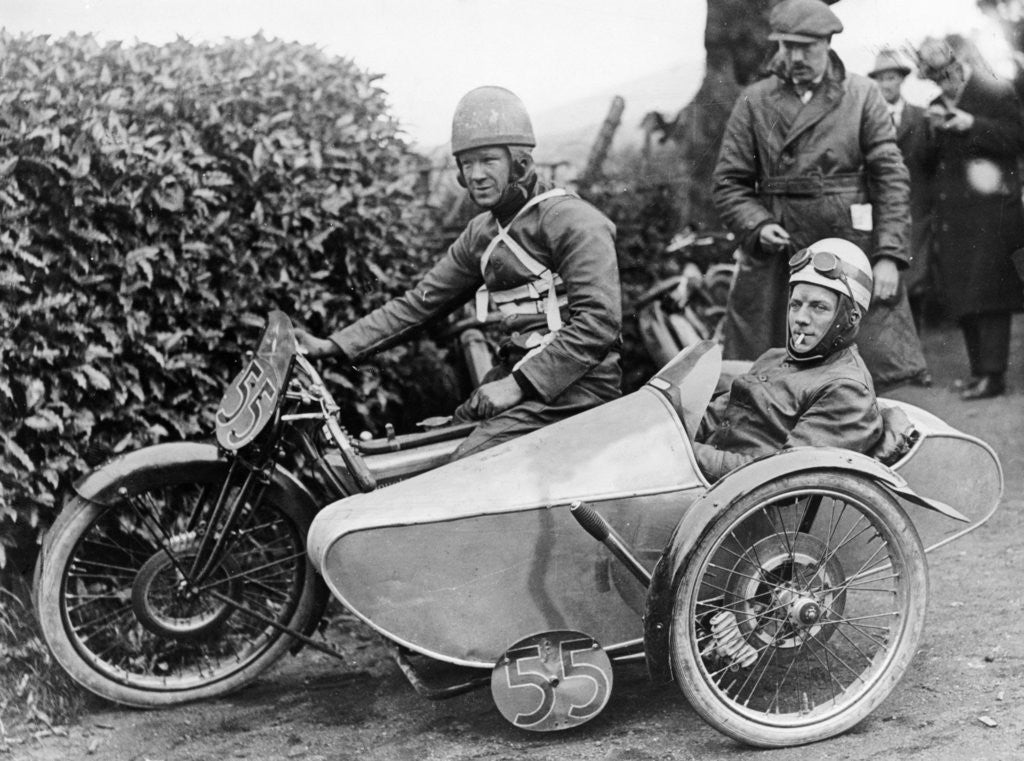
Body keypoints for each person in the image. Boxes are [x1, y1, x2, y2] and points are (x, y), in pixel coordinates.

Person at [295, 86, 623, 458]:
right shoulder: (482, 233)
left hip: (578, 390)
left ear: (519, 163)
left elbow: (599, 321)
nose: (477, 175)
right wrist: (335, 344)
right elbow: (419, 304)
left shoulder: (572, 220)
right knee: (426, 451)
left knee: (463, 470)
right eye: (467, 163)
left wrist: (518, 384)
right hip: (518, 382)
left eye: (488, 160)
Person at [712, 0, 929, 392]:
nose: (795, 57)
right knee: (770, 379)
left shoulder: (862, 94)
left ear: (828, 44)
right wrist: (757, 224)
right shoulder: (755, 100)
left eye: (807, 47)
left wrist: (889, 257)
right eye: (787, 46)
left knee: (864, 379)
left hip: (849, 247)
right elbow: (729, 182)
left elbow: (891, 178)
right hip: (780, 254)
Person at [694, 238, 883, 482]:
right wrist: (671, 434)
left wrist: (690, 455)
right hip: (704, 473)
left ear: (849, 317)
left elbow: (785, 474)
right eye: (796, 304)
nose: (801, 318)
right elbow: (715, 414)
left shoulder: (846, 389)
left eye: (818, 307)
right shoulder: (774, 357)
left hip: (742, 499)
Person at [913, 36, 1024, 400]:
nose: (943, 83)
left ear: (960, 65)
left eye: (946, 75)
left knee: (989, 295)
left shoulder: (995, 92)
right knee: (964, 294)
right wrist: (931, 131)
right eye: (935, 78)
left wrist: (971, 124)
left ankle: (993, 376)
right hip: (955, 218)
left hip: (992, 214)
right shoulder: (934, 105)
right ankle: (979, 372)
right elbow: (928, 163)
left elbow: (1016, 138)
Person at [867, 48, 933, 336]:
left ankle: (914, 350)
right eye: (881, 79)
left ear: (901, 80)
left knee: (914, 282)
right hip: (879, 211)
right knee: (882, 281)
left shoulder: (921, 118)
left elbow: (931, 164)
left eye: (891, 77)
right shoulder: (867, 120)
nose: (886, 84)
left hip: (916, 211)